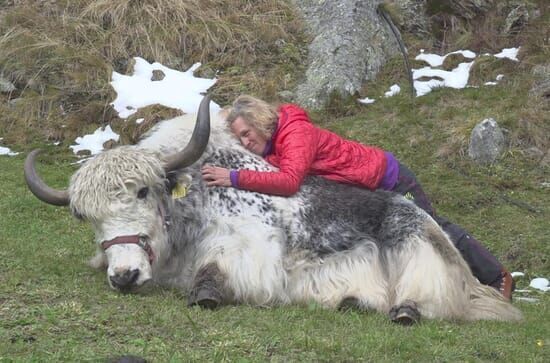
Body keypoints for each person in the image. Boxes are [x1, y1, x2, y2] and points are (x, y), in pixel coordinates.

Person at [201, 95, 514, 300]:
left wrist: (234, 176)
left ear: (259, 121)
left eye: (246, 133)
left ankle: (496, 276)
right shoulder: (274, 147)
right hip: (366, 193)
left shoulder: (295, 133)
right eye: (240, 137)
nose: (245, 141)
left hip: (387, 178)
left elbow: (289, 182)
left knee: (432, 227)